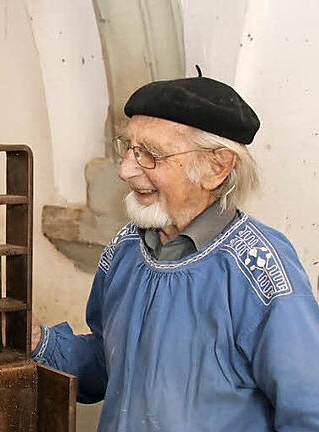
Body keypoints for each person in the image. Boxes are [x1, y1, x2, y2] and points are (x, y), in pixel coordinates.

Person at [31, 73, 319, 431]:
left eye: (150, 155)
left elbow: (309, 412)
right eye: (129, 149)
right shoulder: (126, 249)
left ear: (216, 167)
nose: (126, 170)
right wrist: (39, 341)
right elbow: (107, 366)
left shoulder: (258, 270)